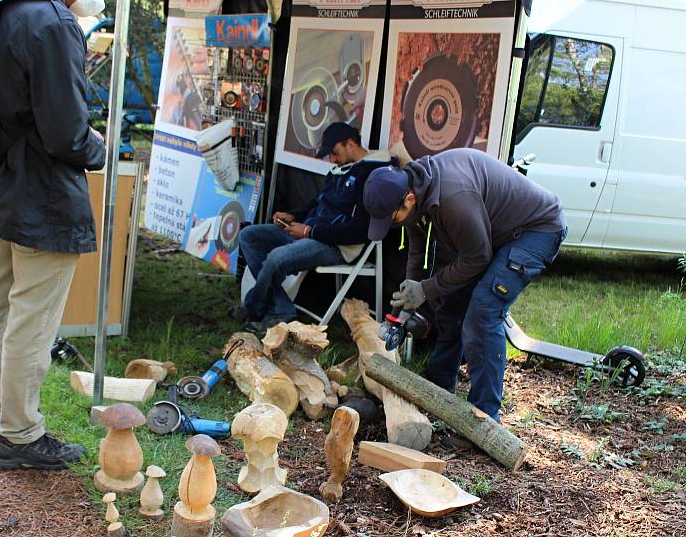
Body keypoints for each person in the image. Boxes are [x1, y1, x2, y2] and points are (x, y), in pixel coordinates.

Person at [0, 0, 115, 470]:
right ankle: (20, 434)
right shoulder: (53, 24)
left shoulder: (5, 7)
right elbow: (67, 134)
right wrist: (102, 148)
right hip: (39, 194)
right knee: (33, 316)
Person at [363, 149, 567, 422]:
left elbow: (477, 257)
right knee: (453, 298)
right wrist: (410, 293)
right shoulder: (415, 189)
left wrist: (425, 289)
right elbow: (416, 248)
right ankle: (439, 383)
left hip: (537, 230)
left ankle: (484, 417)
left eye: (393, 219)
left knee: (483, 311)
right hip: (495, 233)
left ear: (408, 200)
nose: (393, 224)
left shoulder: (452, 198)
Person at [236, 122, 393, 332]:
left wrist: (309, 231)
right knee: (248, 236)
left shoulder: (374, 175)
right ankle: (281, 308)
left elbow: (358, 231)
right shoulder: (339, 170)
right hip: (311, 233)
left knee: (276, 258)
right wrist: (293, 216)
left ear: (351, 143)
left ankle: (255, 307)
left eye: (335, 153)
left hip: (336, 246)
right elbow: (317, 204)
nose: (332, 160)